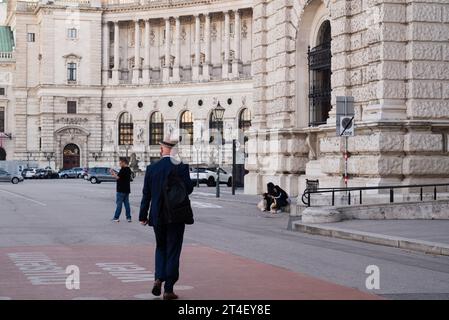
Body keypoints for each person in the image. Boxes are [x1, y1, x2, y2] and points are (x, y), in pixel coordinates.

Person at [139, 137, 194, 300]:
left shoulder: (152, 168)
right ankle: (168, 289)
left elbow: (146, 194)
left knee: (160, 247)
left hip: (157, 216)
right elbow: (189, 190)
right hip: (176, 215)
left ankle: (158, 278)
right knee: (173, 250)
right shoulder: (181, 167)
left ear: (163, 149)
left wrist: (143, 215)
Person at [111, 157, 132, 223]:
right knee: (127, 204)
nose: (119, 164)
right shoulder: (129, 169)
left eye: (120, 163)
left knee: (119, 204)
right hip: (127, 190)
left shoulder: (123, 169)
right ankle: (129, 218)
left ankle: (116, 217)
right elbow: (122, 177)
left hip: (121, 190)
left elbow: (118, 177)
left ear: (123, 162)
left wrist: (112, 173)